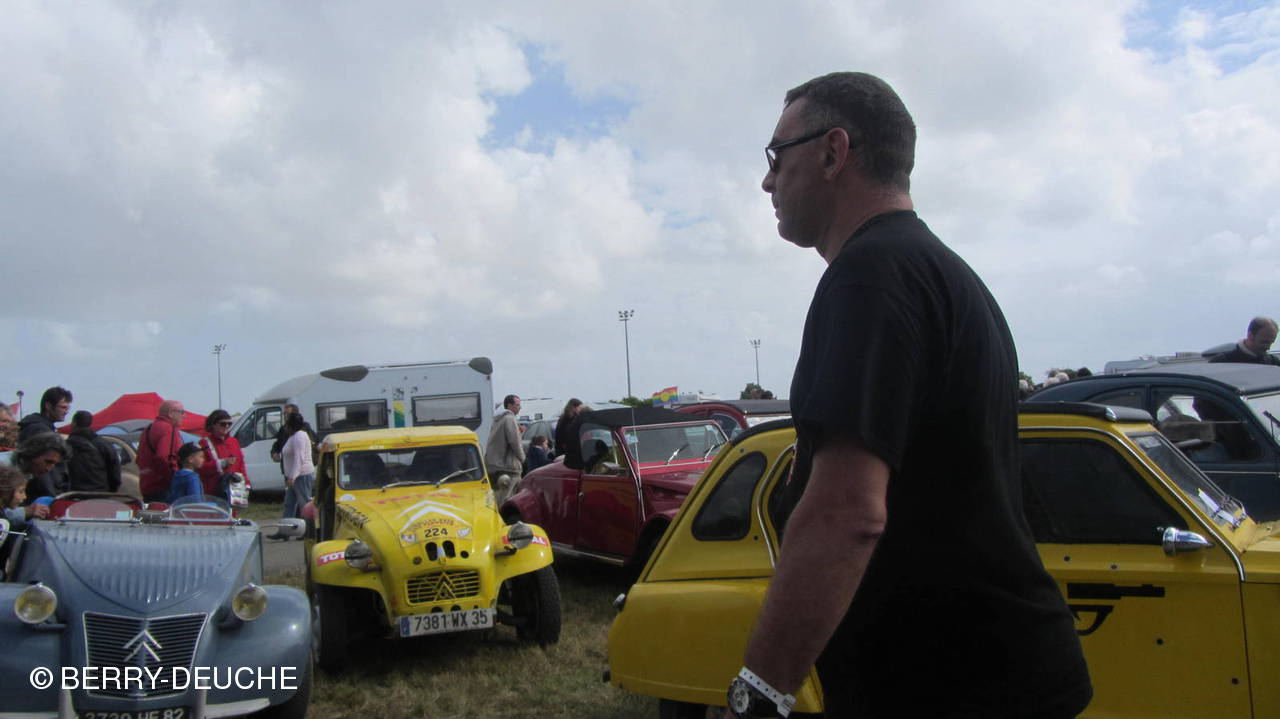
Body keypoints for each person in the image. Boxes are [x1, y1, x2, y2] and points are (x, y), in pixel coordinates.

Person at [730, 72, 1090, 719]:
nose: (767, 180)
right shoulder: (941, 273)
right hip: (995, 674)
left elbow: (848, 512)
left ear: (833, 152)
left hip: (953, 687)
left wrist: (757, 693)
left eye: (776, 156)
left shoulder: (870, 276)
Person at [137, 400, 186, 502]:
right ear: (171, 413)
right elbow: (164, 458)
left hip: (147, 485)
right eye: (181, 412)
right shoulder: (168, 429)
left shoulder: (148, 429)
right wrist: (175, 479)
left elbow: (139, 459)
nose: (184, 416)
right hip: (163, 487)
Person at [65, 411, 122, 493]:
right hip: (100, 492)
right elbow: (114, 470)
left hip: (73, 493)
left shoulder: (66, 445)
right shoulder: (104, 444)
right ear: (90, 424)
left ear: (74, 424)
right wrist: (111, 490)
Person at [198, 409, 248, 500]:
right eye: (223, 424)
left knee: (234, 510)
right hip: (215, 490)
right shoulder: (204, 443)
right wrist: (221, 463)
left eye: (229, 424)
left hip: (235, 489)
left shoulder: (233, 441)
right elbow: (200, 468)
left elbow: (241, 464)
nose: (227, 426)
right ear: (213, 424)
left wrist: (246, 483)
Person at [279, 411, 315, 534]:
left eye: (287, 424)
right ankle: (285, 530)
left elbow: (299, 459)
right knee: (289, 504)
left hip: (301, 475)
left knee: (304, 504)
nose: (285, 427)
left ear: (291, 425)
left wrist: (292, 477)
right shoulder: (294, 437)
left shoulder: (299, 437)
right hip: (294, 475)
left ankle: (309, 530)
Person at [484, 395, 525, 504]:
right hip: (509, 467)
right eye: (517, 405)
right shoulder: (509, 419)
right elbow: (515, 442)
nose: (520, 407)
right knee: (510, 499)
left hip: (495, 465)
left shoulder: (497, 419)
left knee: (498, 496)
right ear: (510, 405)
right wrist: (523, 459)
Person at [12, 432, 71, 500]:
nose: (49, 469)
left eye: (55, 464)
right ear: (32, 453)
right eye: (48, 462)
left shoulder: (29, 471)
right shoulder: (6, 468)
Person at [1211, 317, 1280, 366]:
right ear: (1250, 335)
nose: (1268, 347)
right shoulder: (1223, 362)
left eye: (1271, 343)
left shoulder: (1274, 363)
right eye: (1264, 342)